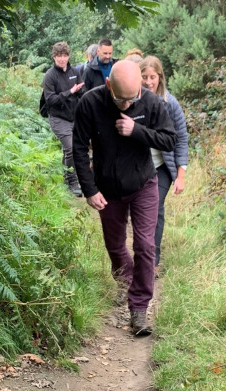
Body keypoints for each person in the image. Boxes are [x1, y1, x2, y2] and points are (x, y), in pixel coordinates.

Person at [72, 61, 177, 336]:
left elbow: (169, 139)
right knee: (115, 246)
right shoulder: (90, 103)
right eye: (122, 99)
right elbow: (79, 149)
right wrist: (90, 190)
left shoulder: (151, 102)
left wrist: (137, 131)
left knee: (145, 245)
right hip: (107, 188)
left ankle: (139, 308)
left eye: (134, 98)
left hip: (144, 183)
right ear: (109, 86)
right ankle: (129, 281)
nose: (129, 104)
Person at [140, 56, 189, 276]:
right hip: (137, 166)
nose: (149, 82)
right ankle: (139, 254)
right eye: (144, 77)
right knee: (140, 212)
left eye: (153, 77)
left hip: (161, 168)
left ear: (160, 78)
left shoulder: (171, 103)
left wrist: (181, 175)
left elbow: (181, 139)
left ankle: (153, 261)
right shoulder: (132, 100)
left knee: (156, 209)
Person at [43, 41, 85, 196]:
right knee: (70, 149)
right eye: (59, 56)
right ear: (54, 57)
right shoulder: (50, 75)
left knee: (72, 150)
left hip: (74, 117)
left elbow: (82, 93)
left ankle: (66, 178)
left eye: (65, 55)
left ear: (68, 56)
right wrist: (70, 91)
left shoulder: (75, 72)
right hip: (57, 117)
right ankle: (72, 183)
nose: (62, 59)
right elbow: (51, 100)